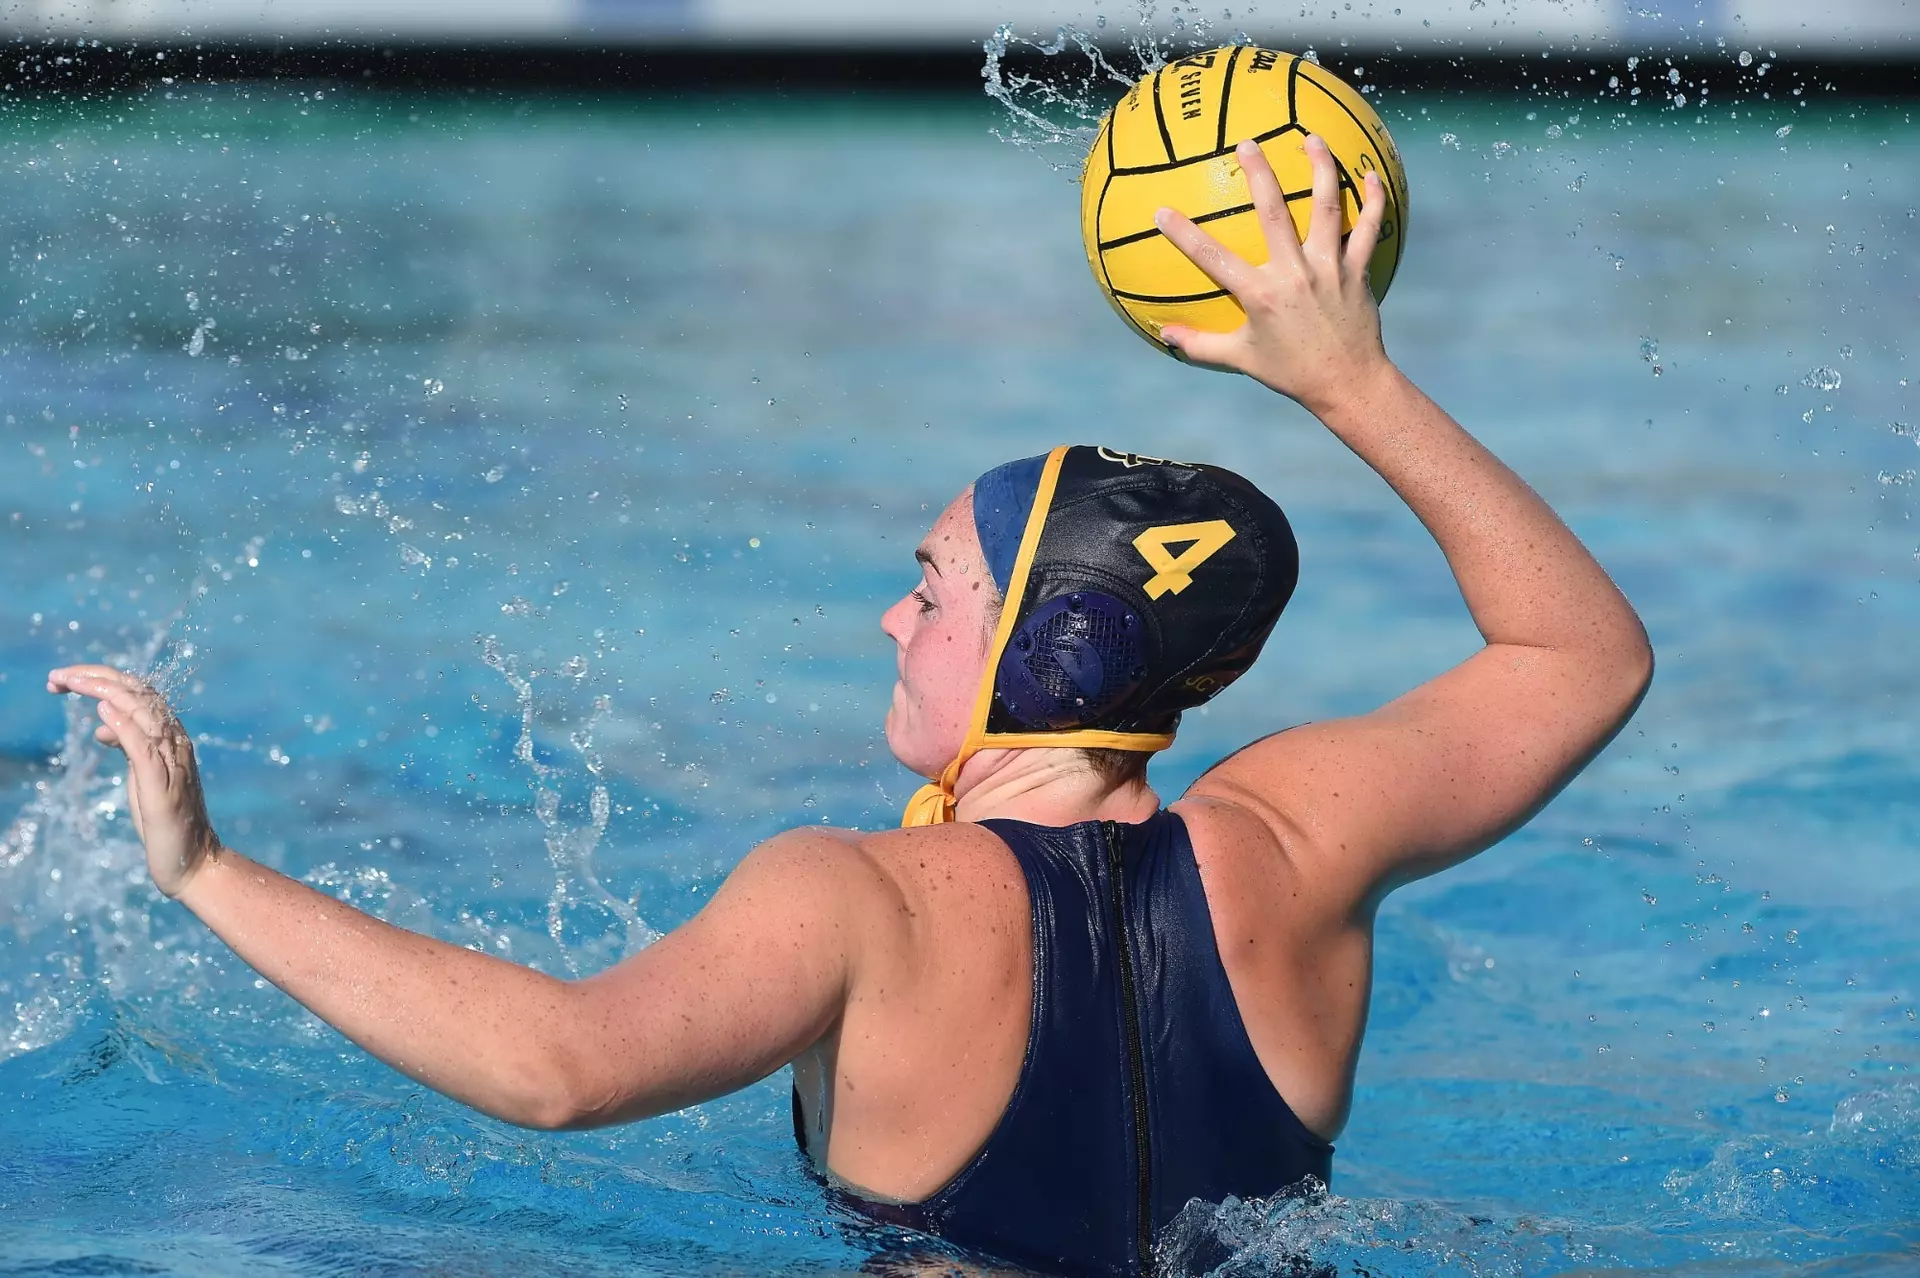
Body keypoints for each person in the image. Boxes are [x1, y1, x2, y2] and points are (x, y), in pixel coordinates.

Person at [45, 136, 1651, 1278]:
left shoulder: (860, 901)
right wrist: (1349, 378)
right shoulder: (1300, 838)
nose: (895, 612)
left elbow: (557, 1069)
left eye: (939, 587)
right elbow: (1581, 659)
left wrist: (206, 871)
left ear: (1049, 655)